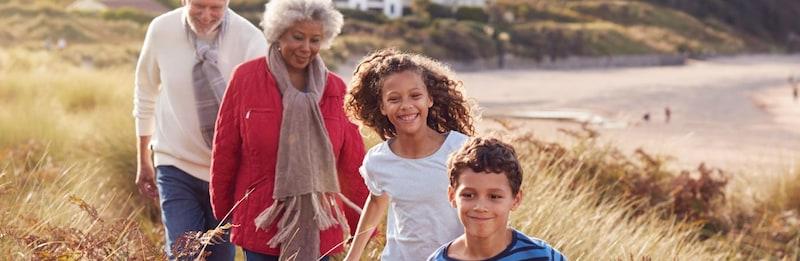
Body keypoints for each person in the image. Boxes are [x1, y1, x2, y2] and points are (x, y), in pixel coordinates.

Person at [209, 0, 369, 260]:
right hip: (260, 220)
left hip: (319, 224)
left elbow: (352, 163)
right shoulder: (246, 78)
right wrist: (225, 211)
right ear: (278, 32)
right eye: (298, 37)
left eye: (315, 40)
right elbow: (225, 148)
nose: (306, 48)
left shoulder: (336, 89)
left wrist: (361, 224)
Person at [132, 0, 267, 259]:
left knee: (220, 257)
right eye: (198, 6)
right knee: (184, 255)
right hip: (175, 165)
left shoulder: (250, 39)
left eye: (216, 8)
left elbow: (262, 113)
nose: (206, 16)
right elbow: (145, 92)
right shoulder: (162, 30)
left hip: (228, 175)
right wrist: (143, 158)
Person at [344, 49, 476, 260]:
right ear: (383, 107)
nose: (406, 106)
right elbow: (376, 202)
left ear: (429, 99)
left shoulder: (461, 150)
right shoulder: (378, 160)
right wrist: (352, 256)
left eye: (415, 96)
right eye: (394, 99)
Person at [429, 137, 567, 260]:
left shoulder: (544, 257)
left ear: (516, 199)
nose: (480, 207)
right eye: (468, 195)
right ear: (452, 196)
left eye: (494, 196)